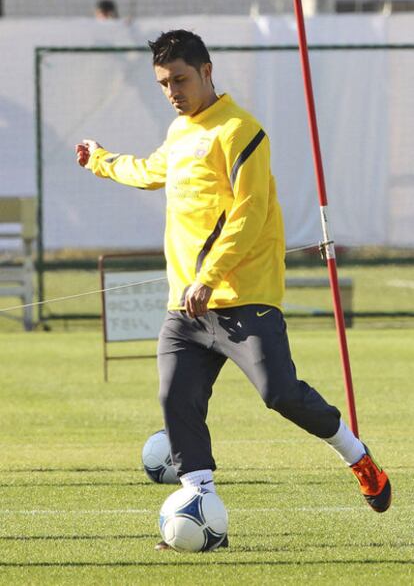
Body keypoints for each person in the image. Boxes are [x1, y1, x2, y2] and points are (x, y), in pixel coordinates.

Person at [75, 29, 391, 550]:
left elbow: (249, 216)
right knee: (176, 398)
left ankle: (358, 458)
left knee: (280, 395)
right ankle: (199, 511)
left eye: (179, 79)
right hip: (186, 305)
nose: (172, 91)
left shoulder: (242, 131)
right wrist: (102, 159)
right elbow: (152, 171)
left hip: (243, 297)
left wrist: (209, 276)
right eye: (163, 83)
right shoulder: (180, 132)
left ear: (206, 71)